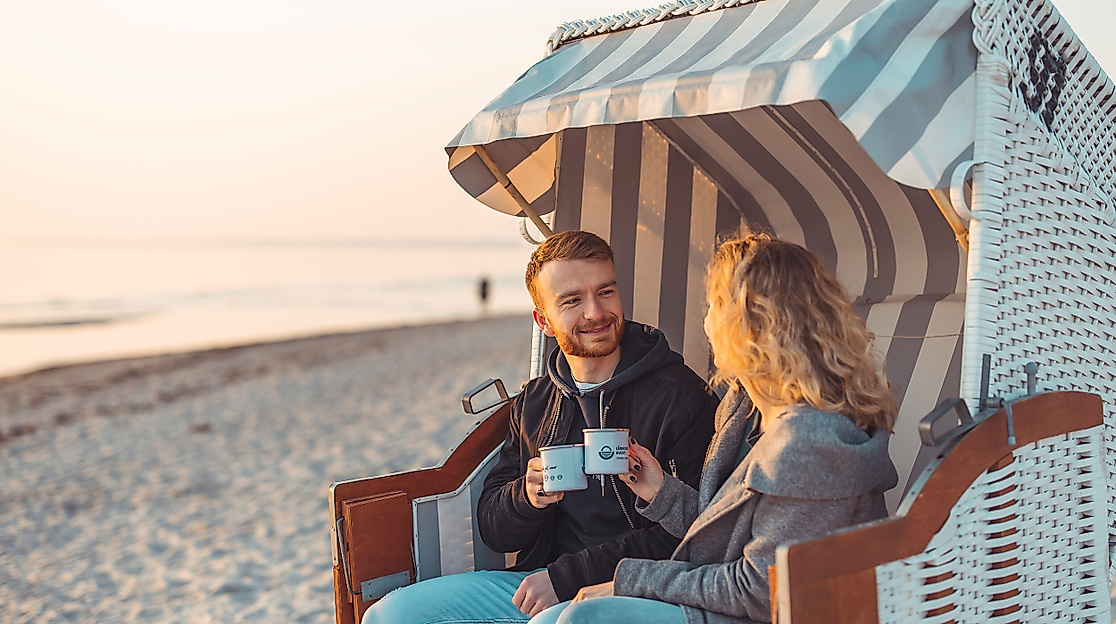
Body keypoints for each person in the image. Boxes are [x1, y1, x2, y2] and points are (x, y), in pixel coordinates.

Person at [531, 229, 899, 624]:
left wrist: (630, 581)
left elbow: (760, 591)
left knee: (580, 619)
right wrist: (661, 493)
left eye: (713, 306)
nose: (706, 321)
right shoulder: (743, 409)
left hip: (774, 614)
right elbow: (724, 534)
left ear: (747, 326)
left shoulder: (810, 443)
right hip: (726, 600)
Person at [363, 230, 719, 624]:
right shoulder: (535, 401)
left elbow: (692, 534)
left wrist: (567, 579)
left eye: (605, 292)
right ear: (543, 320)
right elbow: (495, 531)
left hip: (637, 588)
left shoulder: (682, 398)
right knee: (389, 615)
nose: (595, 312)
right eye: (572, 301)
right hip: (540, 581)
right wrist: (526, 496)